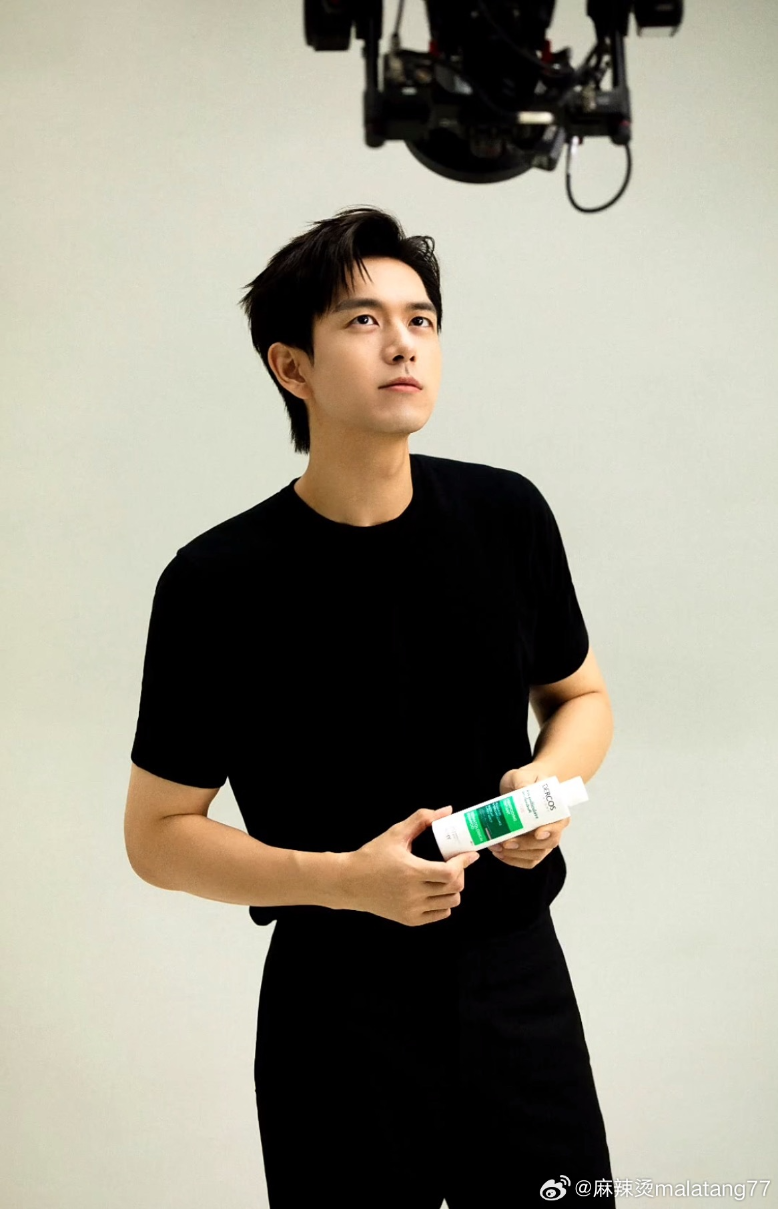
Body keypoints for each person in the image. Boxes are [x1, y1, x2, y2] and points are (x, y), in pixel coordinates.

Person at [124, 205, 617, 1208]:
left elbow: (582, 696)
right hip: (336, 1011)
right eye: (363, 320)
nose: (404, 343)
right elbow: (158, 835)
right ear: (291, 367)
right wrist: (347, 881)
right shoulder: (216, 582)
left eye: (421, 319)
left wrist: (545, 783)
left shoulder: (505, 515)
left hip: (517, 984)